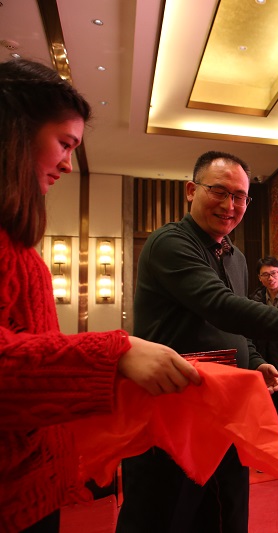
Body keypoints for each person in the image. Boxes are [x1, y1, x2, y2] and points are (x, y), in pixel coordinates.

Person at [0, 58, 201, 533]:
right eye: (63, 144)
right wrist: (116, 352)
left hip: (29, 477)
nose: (67, 164)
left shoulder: (16, 241)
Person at [116, 151, 278, 533]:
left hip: (225, 412)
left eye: (240, 196)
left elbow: (236, 323)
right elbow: (220, 307)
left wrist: (254, 359)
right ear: (191, 191)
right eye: (219, 192)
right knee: (165, 516)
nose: (230, 205)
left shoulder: (235, 256)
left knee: (226, 514)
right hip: (173, 414)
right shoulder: (170, 243)